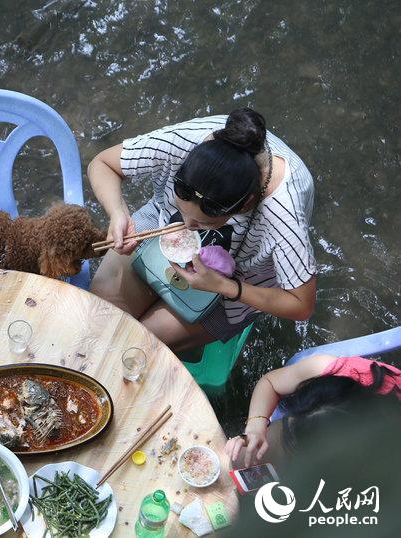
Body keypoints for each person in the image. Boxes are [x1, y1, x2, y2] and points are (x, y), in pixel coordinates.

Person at [87, 108, 317, 351]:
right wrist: (118, 213)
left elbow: (301, 305)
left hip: (241, 277)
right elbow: (102, 164)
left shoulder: (282, 214)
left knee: (135, 346)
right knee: (98, 322)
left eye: (203, 223)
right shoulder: (183, 143)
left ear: (246, 205)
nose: (186, 226)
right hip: (158, 224)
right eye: (183, 210)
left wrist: (225, 287)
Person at [224, 354, 401, 468]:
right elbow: (270, 383)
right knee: (240, 459)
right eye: (290, 422)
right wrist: (256, 426)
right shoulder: (327, 369)